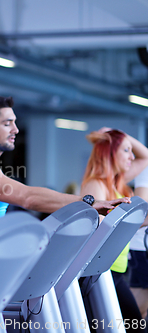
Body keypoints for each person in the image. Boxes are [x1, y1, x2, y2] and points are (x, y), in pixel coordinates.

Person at [0, 95, 130, 249]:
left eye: (15, 123)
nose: (15, 129)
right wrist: (89, 202)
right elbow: (27, 197)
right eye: (7, 123)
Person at [81, 128, 148, 331]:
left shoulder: (115, 182)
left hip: (114, 270)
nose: (131, 156)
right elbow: (102, 229)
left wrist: (119, 135)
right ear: (111, 153)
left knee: (131, 323)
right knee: (131, 324)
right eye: (126, 150)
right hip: (100, 272)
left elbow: (146, 156)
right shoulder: (97, 185)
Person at [131, 166, 148, 319]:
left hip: (141, 249)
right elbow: (140, 216)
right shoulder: (145, 169)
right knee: (138, 312)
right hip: (142, 249)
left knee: (140, 311)